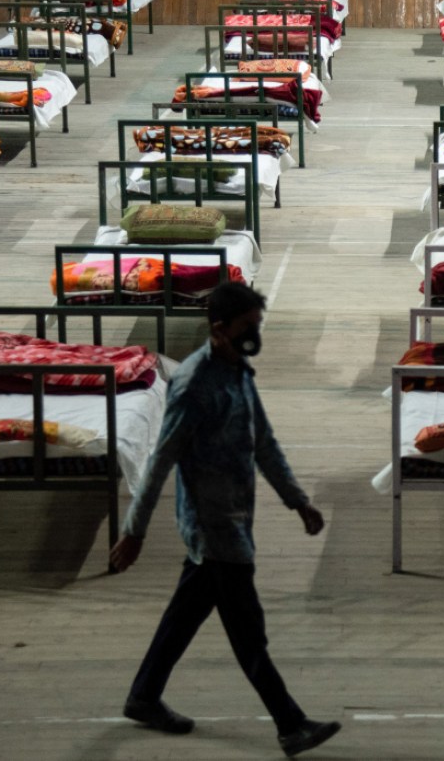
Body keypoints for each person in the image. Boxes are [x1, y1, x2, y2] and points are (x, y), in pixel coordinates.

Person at [109, 282, 341, 758]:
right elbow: (159, 463)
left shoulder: (237, 371)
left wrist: (298, 502)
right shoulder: (195, 385)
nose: (255, 334)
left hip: (235, 518)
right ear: (220, 329)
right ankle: (290, 724)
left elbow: (264, 443)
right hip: (213, 529)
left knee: (186, 615)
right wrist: (133, 530)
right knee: (247, 629)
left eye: (258, 325)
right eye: (248, 327)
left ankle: (143, 696)